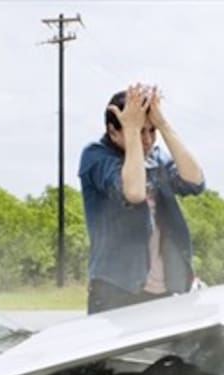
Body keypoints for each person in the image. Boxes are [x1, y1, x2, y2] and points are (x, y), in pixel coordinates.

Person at [78, 83, 205, 313]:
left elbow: (195, 180)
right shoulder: (96, 156)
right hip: (117, 291)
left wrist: (163, 125)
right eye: (139, 131)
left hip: (165, 290)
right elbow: (134, 192)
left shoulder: (156, 157)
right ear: (113, 131)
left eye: (151, 131)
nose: (147, 140)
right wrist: (132, 129)